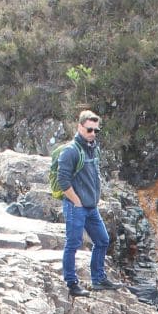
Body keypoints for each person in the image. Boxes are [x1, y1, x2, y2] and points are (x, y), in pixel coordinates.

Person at [57, 109, 122, 297]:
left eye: (96, 130)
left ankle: (98, 278)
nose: (93, 134)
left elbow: (94, 175)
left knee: (102, 240)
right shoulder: (70, 151)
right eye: (89, 130)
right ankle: (71, 283)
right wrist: (76, 201)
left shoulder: (93, 149)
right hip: (76, 206)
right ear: (80, 127)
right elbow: (63, 181)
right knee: (73, 243)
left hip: (91, 207)